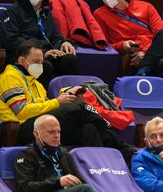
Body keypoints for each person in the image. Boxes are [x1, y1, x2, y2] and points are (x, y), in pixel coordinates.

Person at [0, 41, 133, 156]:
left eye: (41, 62)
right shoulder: (10, 77)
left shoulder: (37, 83)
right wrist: (57, 102)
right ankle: (119, 145)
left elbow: (45, 106)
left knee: (88, 128)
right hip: (21, 129)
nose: (40, 66)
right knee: (81, 107)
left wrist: (66, 97)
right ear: (22, 60)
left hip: (43, 124)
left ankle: (100, 169)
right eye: (36, 62)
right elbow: (22, 111)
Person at [93, 0, 163, 100]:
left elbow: (160, 35)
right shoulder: (99, 14)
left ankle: (143, 70)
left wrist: (145, 52)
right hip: (133, 59)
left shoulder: (146, 7)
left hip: (154, 53)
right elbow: (105, 45)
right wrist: (122, 45)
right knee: (162, 64)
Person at [0, 0, 78, 86]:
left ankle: (71, 97)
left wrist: (64, 43)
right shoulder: (13, 11)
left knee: (69, 60)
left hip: (46, 54)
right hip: (22, 57)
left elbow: (55, 37)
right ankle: (44, 100)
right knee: (44, 66)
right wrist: (41, 52)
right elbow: (10, 40)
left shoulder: (46, 14)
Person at [15, 114, 95, 192]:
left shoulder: (64, 153)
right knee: (84, 189)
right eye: (51, 132)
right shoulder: (27, 155)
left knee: (85, 187)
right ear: (36, 134)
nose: (56, 136)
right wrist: (58, 182)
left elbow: (80, 181)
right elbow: (23, 188)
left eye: (58, 132)